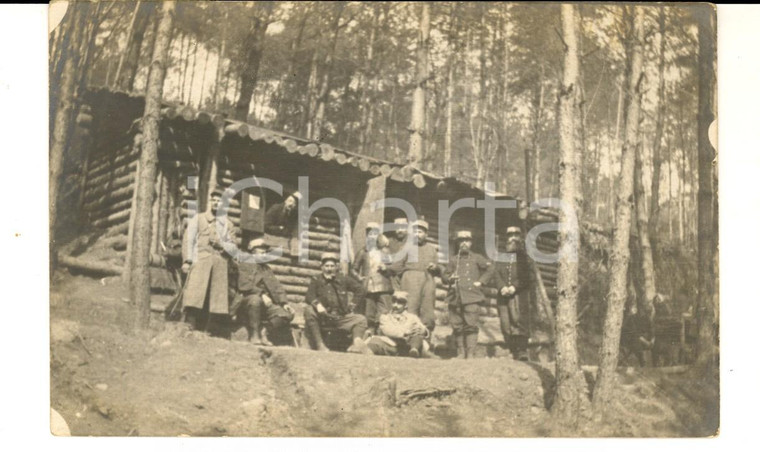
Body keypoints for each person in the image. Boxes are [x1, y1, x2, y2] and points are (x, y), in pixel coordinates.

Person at [181, 207, 238, 338]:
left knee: (214, 298)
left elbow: (234, 248)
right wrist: (187, 261)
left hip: (219, 264)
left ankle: (207, 329)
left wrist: (221, 244)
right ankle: (190, 325)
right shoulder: (198, 219)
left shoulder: (228, 225)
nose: (216, 203)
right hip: (200, 261)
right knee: (196, 293)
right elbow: (188, 240)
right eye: (213, 199)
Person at [303, 252, 373, 354]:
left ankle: (356, 343)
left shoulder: (343, 279)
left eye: (332, 266)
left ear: (336, 267)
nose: (329, 269)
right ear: (322, 267)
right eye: (326, 266)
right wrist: (318, 306)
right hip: (323, 318)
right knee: (309, 311)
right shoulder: (316, 279)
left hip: (340, 318)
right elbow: (309, 296)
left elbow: (360, 289)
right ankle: (320, 345)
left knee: (361, 320)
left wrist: (353, 304)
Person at [441, 230, 494, 359]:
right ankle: (460, 353)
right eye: (461, 241)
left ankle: (470, 354)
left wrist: (481, 282)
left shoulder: (477, 257)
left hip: (472, 296)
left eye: (466, 240)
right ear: (458, 243)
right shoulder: (454, 260)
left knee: (471, 325)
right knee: (457, 325)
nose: (464, 243)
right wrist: (450, 278)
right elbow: (445, 275)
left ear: (471, 243)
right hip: (455, 296)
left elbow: (490, 268)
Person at [234, 238, 294, 345]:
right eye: (261, 251)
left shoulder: (267, 269)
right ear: (252, 251)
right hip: (247, 301)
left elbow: (277, 287)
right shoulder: (245, 265)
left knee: (287, 314)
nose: (264, 253)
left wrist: (284, 303)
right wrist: (261, 294)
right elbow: (244, 285)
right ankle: (254, 335)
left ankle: (265, 332)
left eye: (265, 251)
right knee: (255, 300)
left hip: (266, 304)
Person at [387, 220, 439, 333]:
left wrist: (435, 267)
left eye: (420, 232)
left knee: (427, 311)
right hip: (410, 280)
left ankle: (425, 340)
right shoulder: (407, 247)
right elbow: (398, 265)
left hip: (428, 280)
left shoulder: (432, 249)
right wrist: (386, 268)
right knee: (410, 308)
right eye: (414, 232)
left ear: (426, 234)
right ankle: (408, 340)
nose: (417, 235)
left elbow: (438, 267)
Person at [492, 226, 531, 360]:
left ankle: (522, 351)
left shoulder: (525, 258)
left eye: (516, 235)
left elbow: (527, 277)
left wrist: (514, 287)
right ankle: (511, 349)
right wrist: (502, 287)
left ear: (520, 238)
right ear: (506, 239)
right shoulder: (501, 257)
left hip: (519, 295)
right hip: (503, 295)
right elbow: (496, 273)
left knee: (519, 321)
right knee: (506, 322)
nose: (513, 238)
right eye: (510, 236)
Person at [350, 222, 393, 334]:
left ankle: (382, 334)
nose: (372, 237)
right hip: (369, 287)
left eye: (375, 234)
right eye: (370, 234)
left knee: (384, 312)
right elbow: (353, 269)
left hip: (384, 286)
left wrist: (386, 268)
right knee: (369, 313)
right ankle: (370, 334)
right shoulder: (363, 252)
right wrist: (359, 278)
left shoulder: (385, 251)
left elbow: (392, 267)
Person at [367, 291, 433, 358]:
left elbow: (421, 327)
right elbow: (388, 330)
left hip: (408, 344)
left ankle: (414, 351)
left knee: (417, 338)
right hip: (392, 344)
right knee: (377, 342)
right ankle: (368, 350)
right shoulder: (385, 317)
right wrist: (405, 332)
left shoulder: (412, 317)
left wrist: (423, 331)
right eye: (394, 301)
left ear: (406, 305)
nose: (395, 305)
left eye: (399, 303)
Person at [385, 218, 409, 290]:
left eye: (402, 227)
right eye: (397, 228)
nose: (400, 230)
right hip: (391, 277)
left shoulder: (412, 242)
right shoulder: (389, 241)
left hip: (406, 277)